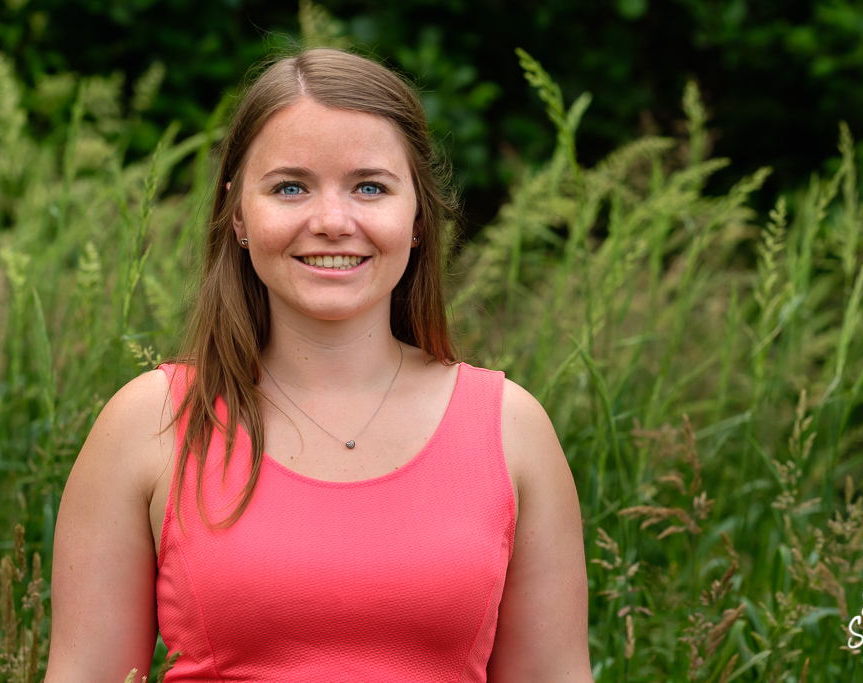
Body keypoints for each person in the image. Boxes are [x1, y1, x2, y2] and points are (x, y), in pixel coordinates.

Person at [46, 48, 592, 682]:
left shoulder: (511, 429)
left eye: (369, 187)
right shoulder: (152, 422)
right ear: (237, 214)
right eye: (290, 187)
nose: (332, 222)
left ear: (416, 216)